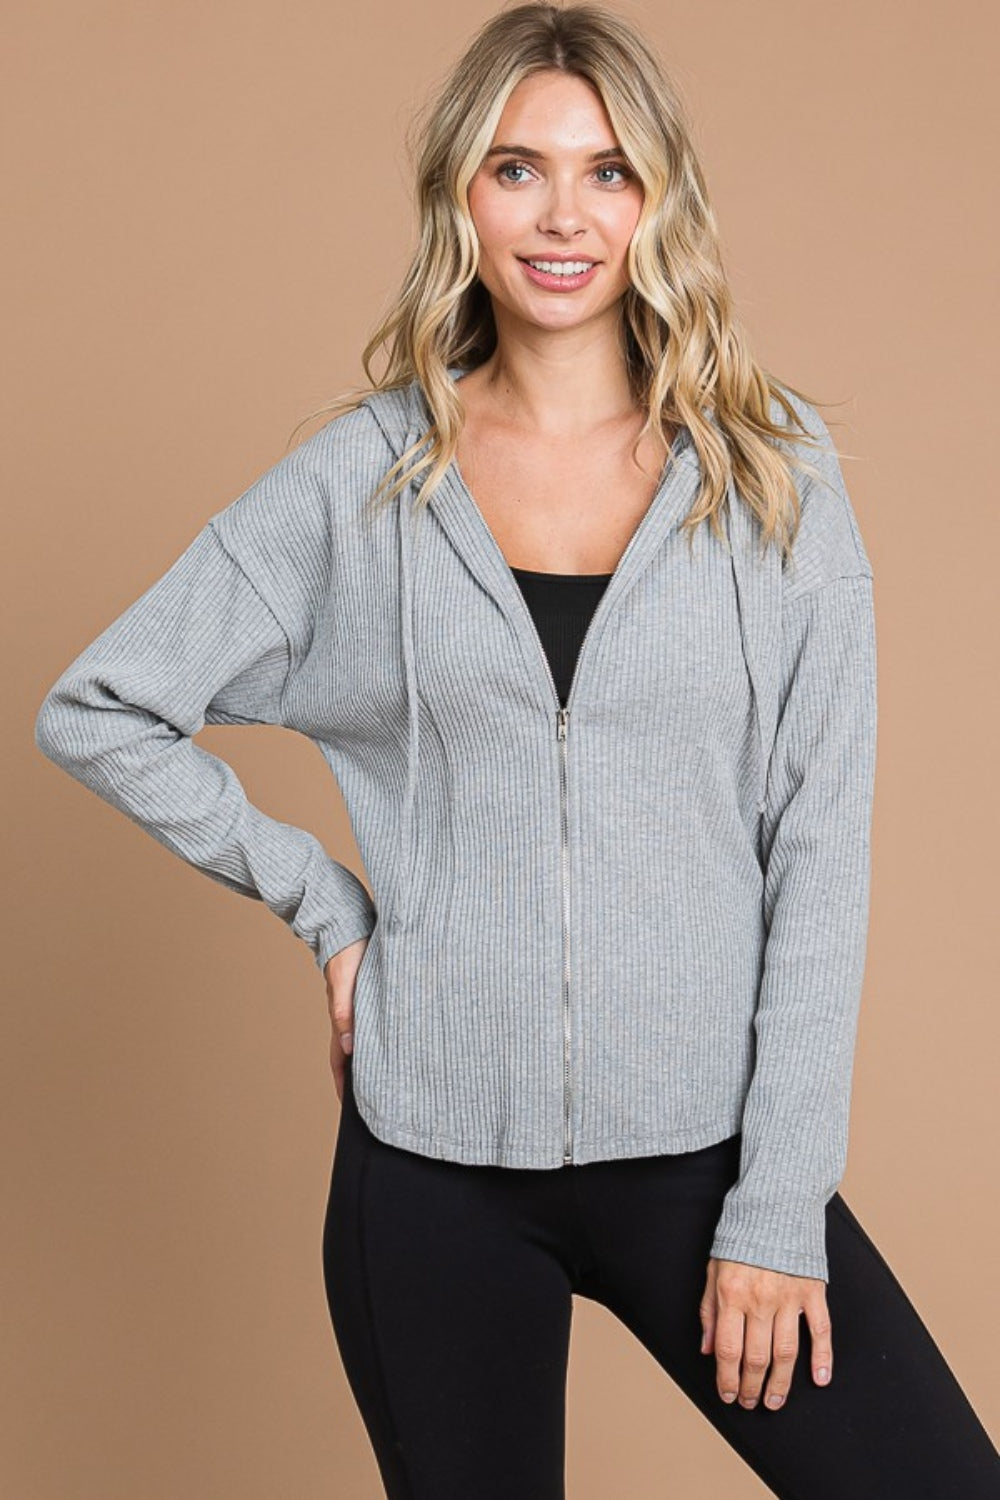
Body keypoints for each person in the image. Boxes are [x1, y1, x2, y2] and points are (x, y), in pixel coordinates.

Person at [34, 4, 1000, 1496]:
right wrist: (325, 905)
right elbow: (99, 704)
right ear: (460, 197)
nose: (564, 216)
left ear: (659, 199)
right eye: (518, 168)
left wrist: (779, 1203)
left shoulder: (771, 476)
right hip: (432, 1172)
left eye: (608, 171)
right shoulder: (364, 484)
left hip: (705, 1155)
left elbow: (819, 846)